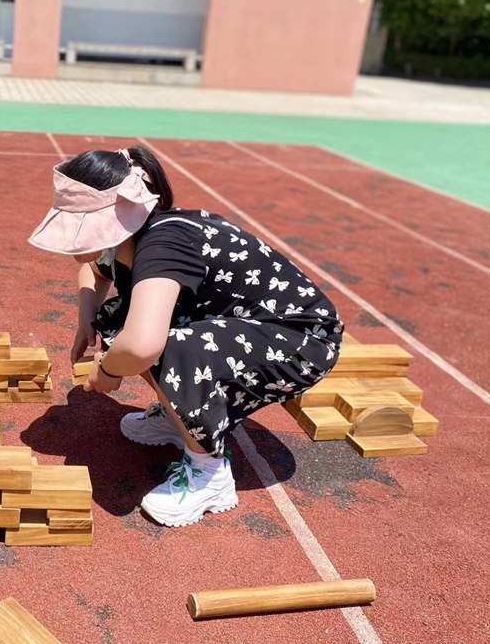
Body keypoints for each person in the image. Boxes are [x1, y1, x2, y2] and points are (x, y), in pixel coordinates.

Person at [28, 147, 343, 527]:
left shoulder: (163, 245)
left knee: (158, 345)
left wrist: (108, 371)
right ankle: (177, 418)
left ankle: (209, 473)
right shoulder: (128, 237)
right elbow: (95, 272)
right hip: (252, 328)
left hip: (301, 343)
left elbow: (141, 345)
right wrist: (86, 320)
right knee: (117, 320)